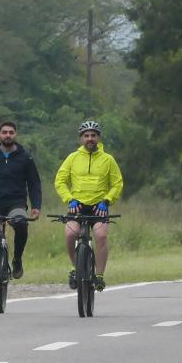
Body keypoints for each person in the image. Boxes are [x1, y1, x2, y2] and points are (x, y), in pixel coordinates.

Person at [0, 120, 42, 295]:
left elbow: (34, 183)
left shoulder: (25, 157)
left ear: (15, 134)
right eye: (4, 132)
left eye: (11, 132)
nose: (8, 135)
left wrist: (36, 206)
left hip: (16, 202)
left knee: (21, 224)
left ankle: (17, 259)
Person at [54, 120, 124, 291]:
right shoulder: (72, 158)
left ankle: (99, 275)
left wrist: (107, 201)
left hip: (99, 206)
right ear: (81, 139)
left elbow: (117, 183)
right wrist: (69, 199)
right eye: (86, 136)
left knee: (100, 235)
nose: (90, 139)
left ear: (99, 138)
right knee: (71, 234)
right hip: (77, 205)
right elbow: (60, 181)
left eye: (93, 135)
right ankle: (74, 268)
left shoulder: (108, 159)